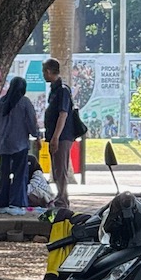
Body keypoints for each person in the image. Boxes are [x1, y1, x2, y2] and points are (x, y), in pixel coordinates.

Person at [0, 76, 41, 214]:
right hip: (20, 144)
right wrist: (37, 136)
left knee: (3, 173)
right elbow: (31, 124)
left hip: (3, 145)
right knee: (19, 174)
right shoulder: (25, 103)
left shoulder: (0, 103)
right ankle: (16, 204)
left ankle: (0, 203)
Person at [42, 58, 76, 208]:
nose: (43, 74)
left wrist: (56, 137)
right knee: (56, 168)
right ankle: (61, 196)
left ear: (49, 71)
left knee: (60, 168)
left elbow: (63, 114)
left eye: (44, 71)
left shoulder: (62, 90)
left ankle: (62, 199)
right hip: (53, 135)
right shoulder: (54, 90)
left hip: (62, 136)